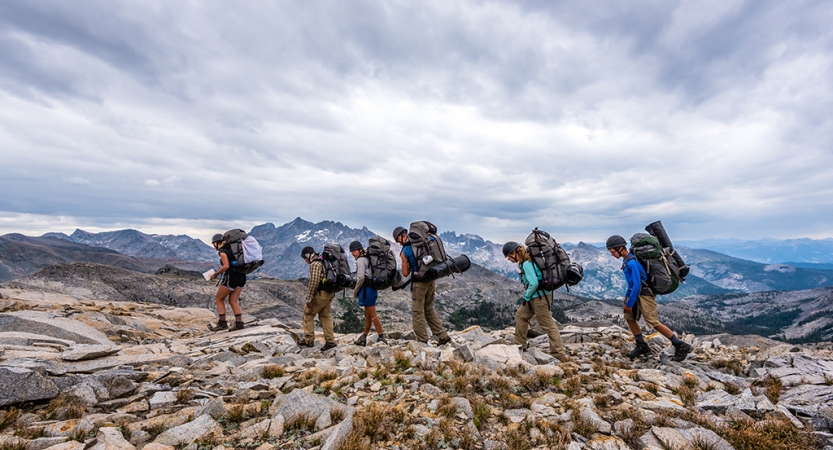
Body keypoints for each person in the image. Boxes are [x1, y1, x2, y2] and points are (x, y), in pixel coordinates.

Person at [606, 235, 693, 361]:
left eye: (613, 252)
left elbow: (637, 284)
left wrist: (629, 304)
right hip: (636, 294)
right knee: (629, 317)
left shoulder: (631, 262)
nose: (612, 254)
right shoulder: (626, 261)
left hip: (645, 294)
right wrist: (626, 296)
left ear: (620, 248)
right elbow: (630, 283)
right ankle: (641, 345)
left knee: (653, 322)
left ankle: (680, 345)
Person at [502, 241, 571, 362]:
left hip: (539, 298)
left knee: (547, 324)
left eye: (509, 256)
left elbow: (534, 283)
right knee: (521, 316)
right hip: (536, 296)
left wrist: (527, 295)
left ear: (514, 253)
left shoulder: (526, 264)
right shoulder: (526, 262)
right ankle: (519, 344)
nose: (508, 259)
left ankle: (558, 352)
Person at [393, 227, 451, 345]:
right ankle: (443, 336)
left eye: (398, 240)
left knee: (417, 311)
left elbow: (405, 273)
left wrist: (408, 264)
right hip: (430, 278)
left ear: (400, 237)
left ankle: (422, 340)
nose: (399, 243)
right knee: (429, 309)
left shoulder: (405, 251)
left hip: (419, 284)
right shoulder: (422, 243)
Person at [300, 246, 337, 351]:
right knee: (325, 316)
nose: (305, 261)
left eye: (305, 258)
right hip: (329, 293)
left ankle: (309, 340)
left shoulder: (315, 264)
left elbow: (314, 282)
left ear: (308, 255)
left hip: (321, 293)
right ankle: (330, 341)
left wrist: (309, 298)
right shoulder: (323, 261)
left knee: (308, 314)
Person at [349, 241, 386, 346]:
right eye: (352, 251)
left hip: (366, 289)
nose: (353, 253)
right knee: (368, 315)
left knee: (372, 314)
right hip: (371, 288)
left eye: (355, 250)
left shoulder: (360, 260)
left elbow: (360, 277)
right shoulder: (367, 258)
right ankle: (364, 337)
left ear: (360, 250)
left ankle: (381, 336)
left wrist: (356, 290)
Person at [208, 233, 245, 331]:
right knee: (233, 300)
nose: (214, 246)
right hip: (242, 276)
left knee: (219, 299)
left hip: (231, 277)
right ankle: (239, 324)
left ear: (217, 243)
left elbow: (226, 266)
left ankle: (222, 324)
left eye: (214, 244)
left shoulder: (222, 251)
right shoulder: (234, 250)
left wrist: (215, 274)